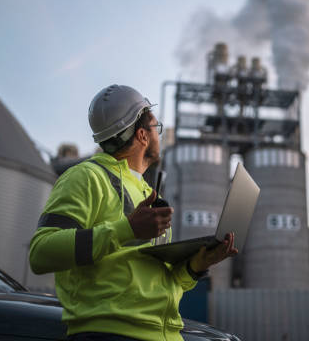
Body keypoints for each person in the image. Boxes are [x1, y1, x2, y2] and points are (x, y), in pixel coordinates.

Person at [29, 85, 237, 341]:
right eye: (156, 128)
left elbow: (161, 283)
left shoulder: (150, 195)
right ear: (142, 135)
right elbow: (40, 253)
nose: (159, 135)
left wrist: (198, 265)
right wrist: (126, 229)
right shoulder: (86, 177)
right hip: (110, 334)